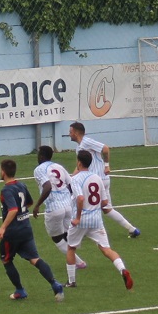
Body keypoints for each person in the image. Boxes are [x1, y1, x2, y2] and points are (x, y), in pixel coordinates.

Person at [0, 159, 66, 302]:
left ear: (3, 171)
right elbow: (29, 202)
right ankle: (55, 284)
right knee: (34, 259)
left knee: (6, 260)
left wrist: (3, 227)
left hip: (12, 232)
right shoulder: (21, 185)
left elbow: (13, 209)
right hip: (26, 228)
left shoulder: (6, 190)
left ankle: (20, 290)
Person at [65, 150, 134, 290]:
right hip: (96, 220)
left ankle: (71, 282)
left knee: (71, 248)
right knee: (106, 249)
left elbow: (80, 198)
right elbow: (104, 202)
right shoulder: (97, 178)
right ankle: (122, 269)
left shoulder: (75, 179)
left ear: (79, 162)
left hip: (81, 220)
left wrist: (78, 218)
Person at [68, 122, 141, 238]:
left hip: (95, 180)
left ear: (76, 133)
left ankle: (80, 229)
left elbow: (105, 148)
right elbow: (79, 167)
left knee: (78, 201)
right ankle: (132, 229)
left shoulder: (86, 141)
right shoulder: (79, 147)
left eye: (70, 132)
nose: (69, 134)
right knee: (107, 209)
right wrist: (71, 178)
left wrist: (107, 165)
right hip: (101, 180)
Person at [30, 146, 88, 275]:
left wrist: (37, 205)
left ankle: (78, 262)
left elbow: (47, 187)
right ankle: (76, 254)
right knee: (66, 234)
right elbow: (71, 184)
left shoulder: (39, 169)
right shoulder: (59, 166)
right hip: (68, 206)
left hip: (54, 208)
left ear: (41, 156)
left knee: (57, 238)